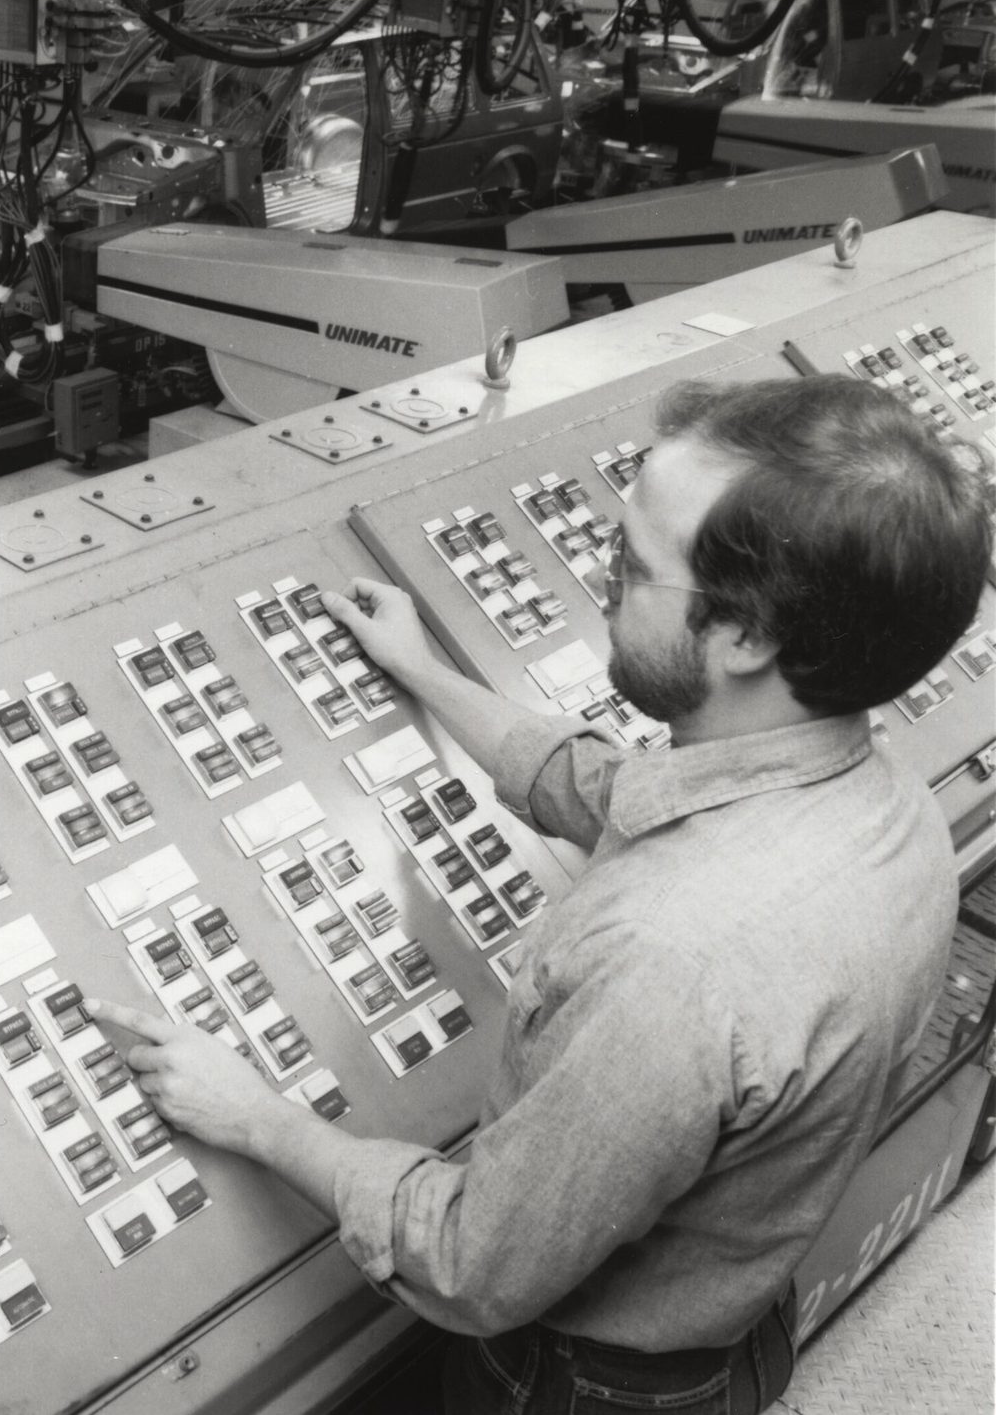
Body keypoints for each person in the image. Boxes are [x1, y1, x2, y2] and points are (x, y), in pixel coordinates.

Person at [87, 375, 992, 1415]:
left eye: (630, 566)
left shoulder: (670, 962)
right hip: (735, 1333)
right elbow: (615, 789)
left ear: (745, 637)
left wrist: (257, 1120)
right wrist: (427, 673)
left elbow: (471, 1262)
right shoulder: (884, 804)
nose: (603, 585)